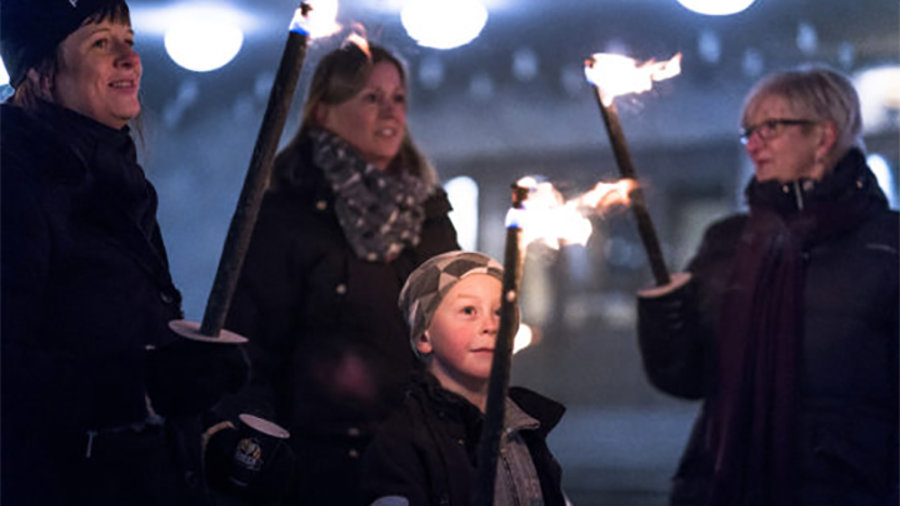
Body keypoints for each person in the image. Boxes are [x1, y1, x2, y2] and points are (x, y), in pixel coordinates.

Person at [0, 1, 248, 505]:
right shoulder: (14, 184)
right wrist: (146, 387)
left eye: (129, 42)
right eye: (100, 43)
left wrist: (210, 435)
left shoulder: (117, 181)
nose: (130, 59)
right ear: (42, 75)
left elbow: (135, 332)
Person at [207, 42, 460, 505]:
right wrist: (257, 451)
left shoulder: (427, 217)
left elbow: (452, 338)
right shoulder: (287, 216)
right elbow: (248, 348)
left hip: (412, 465)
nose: (390, 111)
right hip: (316, 471)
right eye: (371, 97)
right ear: (324, 112)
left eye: (398, 98)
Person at [636, 66, 898, 506]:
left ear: (824, 136)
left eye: (771, 128)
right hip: (721, 488)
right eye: (749, 132)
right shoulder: (727, 241)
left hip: (844, 488)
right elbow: (686, 378)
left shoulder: (887, 244)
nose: (753, 144)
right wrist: (666, 310)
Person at [360, 250, 568, 506]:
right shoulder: (402, 440)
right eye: (469, 310)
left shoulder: (526, 429)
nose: (490, 326)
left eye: (501, 312)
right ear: (424, 336)